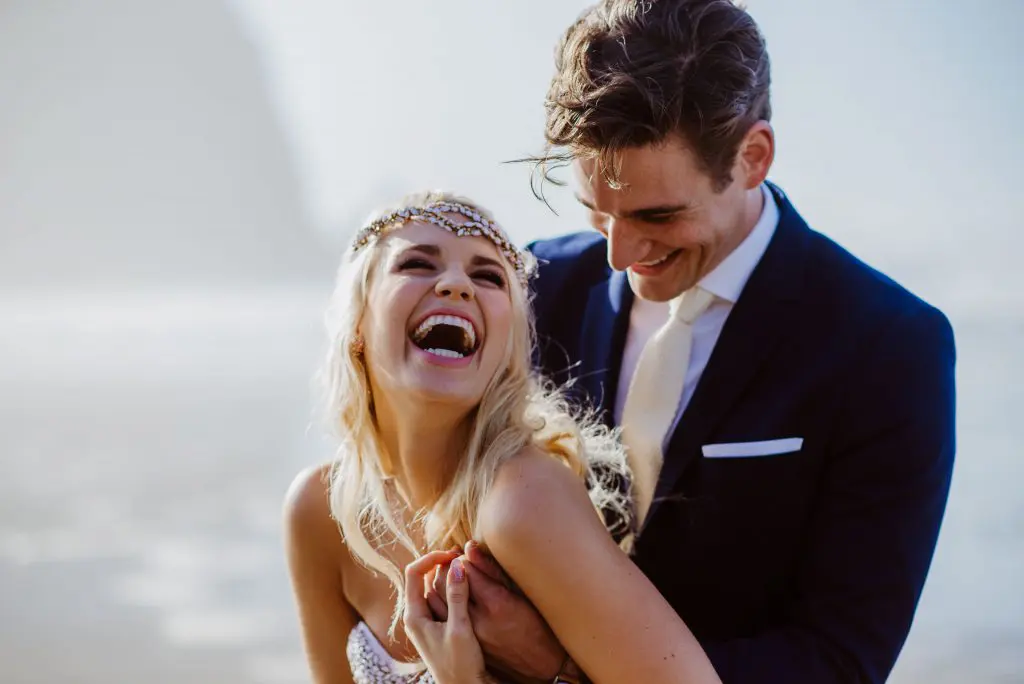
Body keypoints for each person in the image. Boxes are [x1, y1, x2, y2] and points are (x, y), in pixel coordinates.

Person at [424, 1, 958, 682]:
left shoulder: (888, 346)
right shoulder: (533, 288)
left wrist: (566, 667)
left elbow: (840, 660)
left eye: (657, 215)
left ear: (752, 157)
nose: (619, 253)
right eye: (597, 213)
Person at [283, 191, 723, 684]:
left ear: (507, 349)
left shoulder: (523, 500)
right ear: (358, 323)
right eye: (417, 264)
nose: (455, 284)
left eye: (487, 276)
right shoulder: (318, 509)